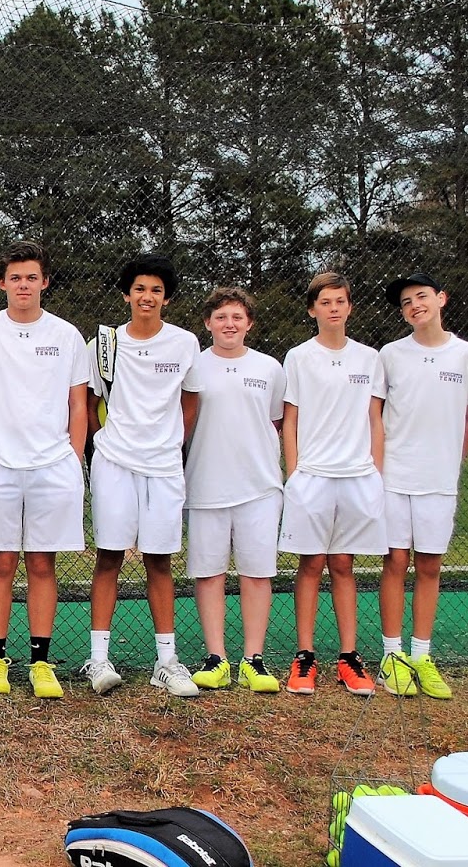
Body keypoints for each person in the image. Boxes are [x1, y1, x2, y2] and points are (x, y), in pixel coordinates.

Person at [0, 241, 88, 699]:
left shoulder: (68, 335)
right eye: (15, 277)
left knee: (41, 562)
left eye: (31, 277)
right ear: (2, 283)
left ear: (45, 282)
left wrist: (72, 460)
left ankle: (40, 662)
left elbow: (79, 403)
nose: (23, 285)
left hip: (53, 466)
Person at [83, 253, 202, 698]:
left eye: (155, 290)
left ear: (166, 297)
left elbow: (190, 402)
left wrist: (168, 443)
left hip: (165, 466)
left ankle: (166, 662)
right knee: (109, 556)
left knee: (159, 559)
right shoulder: (105, 344)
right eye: (139, 289)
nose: (146, 297)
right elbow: (93, 404)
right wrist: (111, 441)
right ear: (126, 294)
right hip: (114, 462)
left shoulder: (185, 343)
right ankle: (98, 660)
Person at [376, 272, 468, 699]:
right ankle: (392, 657)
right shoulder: (390, 354)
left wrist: (448, 461)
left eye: (421, 297)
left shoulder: (466, 355)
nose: (414, 305)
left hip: (439, 481)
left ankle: (422, 655)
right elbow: (376, 413)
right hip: (394, 476)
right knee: (395, 561)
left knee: (429, 565)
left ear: (440, 299)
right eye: (406, 302)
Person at [279, 270, 386, 696]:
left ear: (349, 307)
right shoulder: (299, 357)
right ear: (313, 310)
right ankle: (304, 657)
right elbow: (291, 421)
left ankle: (349, 658)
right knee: (311, 564)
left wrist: (374, 472)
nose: (334, 308)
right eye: (326, 302)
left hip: (358, 477)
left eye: (340, 301)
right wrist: (296, 473)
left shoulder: (369, 358)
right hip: (313, 477)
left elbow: (374, 419)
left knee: (343, 564)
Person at [183, 287, 286, 694]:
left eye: (237, 317)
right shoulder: (193, 367)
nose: (229, 324)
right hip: (205, 485)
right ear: (208, 323)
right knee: (209, 574)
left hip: (260, 487)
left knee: (257, 574)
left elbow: (275, 420)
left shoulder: (270, 368)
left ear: (249, 324)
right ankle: (217, 659)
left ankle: (253, 660)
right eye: (221, 317)